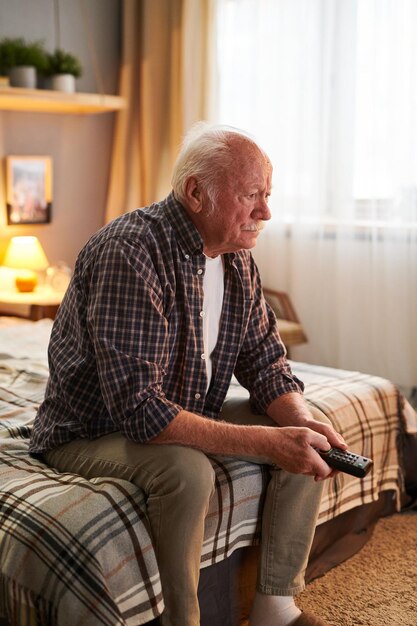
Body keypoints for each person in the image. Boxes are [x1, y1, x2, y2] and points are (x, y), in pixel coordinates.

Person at [29, 123, 347, 626]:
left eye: (268, 195)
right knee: (187, 470)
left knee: (305, 436)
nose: (266, 212)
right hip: (91, 429)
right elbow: (140, 411)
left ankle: (275, 608)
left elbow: (266, 363)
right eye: (251, 196)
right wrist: (267, 444)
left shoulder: (236, 256)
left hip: (180, 405)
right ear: (196, 193)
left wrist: (298, 424)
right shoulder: (130, 252)